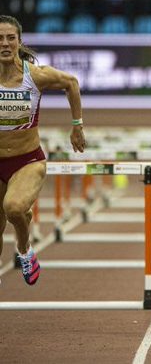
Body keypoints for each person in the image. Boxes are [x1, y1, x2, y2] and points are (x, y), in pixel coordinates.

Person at [0, 15, 86, 285]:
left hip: (26, 161)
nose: (4, 44)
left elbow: (71, 83)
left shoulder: (34, 75)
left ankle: (24, 250)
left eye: (10, 38)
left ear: (19, 42)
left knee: (14, 208)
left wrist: (77, 126)